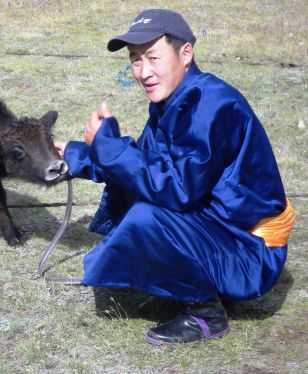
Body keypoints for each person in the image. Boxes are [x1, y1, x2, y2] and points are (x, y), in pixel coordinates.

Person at [55, 8, 295, 345]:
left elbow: (176, 189)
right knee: (140, 196)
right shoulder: (178, 99)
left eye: (153, 56)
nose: (143, 72)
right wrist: (74, 154)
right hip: (224, 232)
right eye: (135, 60)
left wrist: (107, 145)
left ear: (186, 53)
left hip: (252, 252)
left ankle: (206, 314)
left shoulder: (212, 105)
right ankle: (189, 282)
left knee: (147, 216)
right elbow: (146, 163)